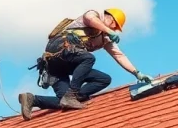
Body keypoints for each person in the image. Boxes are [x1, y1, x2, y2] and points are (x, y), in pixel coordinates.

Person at [18, 8, 151, 119]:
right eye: (115, 26)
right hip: (58, 50)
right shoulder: (93, 15)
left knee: (102, 80)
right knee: (89, 58)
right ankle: (72, 94)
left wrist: (137, 73)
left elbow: (119, 55)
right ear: (109, 18)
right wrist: (109, 30)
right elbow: (90, 19)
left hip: (64, 65)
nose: (114, 29)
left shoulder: (105, 39)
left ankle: (33, 99)